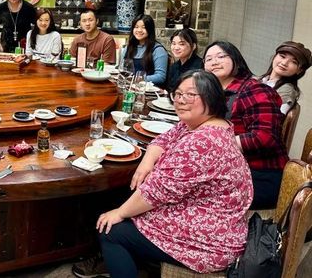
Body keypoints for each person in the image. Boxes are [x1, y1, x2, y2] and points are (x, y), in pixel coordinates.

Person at [76, 70, 252, 278]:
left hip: (209, 241)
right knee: (123, 200)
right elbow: (163, 140)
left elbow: (156, 193)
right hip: (208, 218)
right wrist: (146, 163)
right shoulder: (207, 125)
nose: (180, 100)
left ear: (211, 97)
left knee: (110, 230)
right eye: (177, 94)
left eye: (190, 95)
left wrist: (120, 213)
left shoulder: (202, 141)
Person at [203, 41, 287, 209]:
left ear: (236, 59)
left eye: (221, 56)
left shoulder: (255, 90)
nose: (214, 62)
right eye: (208, 59)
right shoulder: (215, 93)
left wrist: (213, 145)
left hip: (259, 175)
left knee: (186, 190)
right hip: (229, 169)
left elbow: (264, 137)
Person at [259, 41, 311, 114]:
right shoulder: (258, 80)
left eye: (294, 62)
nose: (284, 63)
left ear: (299, 70)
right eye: (282, 56)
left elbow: (273, 118)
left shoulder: (287, 91)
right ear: (275, 56)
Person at [121, 14, 169, 86]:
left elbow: (160, 77)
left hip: (149, 90)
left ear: (150, 30)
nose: (139, 30)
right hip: (129, 86)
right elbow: (121, 68)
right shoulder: (128, 47)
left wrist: (138, 79)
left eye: (144, 27)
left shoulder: (158, 50)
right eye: (136, 27)